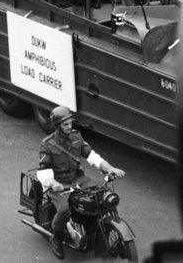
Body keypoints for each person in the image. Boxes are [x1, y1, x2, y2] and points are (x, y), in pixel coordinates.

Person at [38, 106, 125, 259]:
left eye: (70, 123)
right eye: (65, 124)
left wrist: (110, 168)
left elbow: (92, 156)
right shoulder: (48, 144)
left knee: (103, 196)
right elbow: (43, 171)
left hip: (79, 179)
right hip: (60, 184)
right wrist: (52, 183)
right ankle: (56, 237)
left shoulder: (76, 136)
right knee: (64, 209)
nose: (69, 126)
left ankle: (98, 228)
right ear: (57, 126)